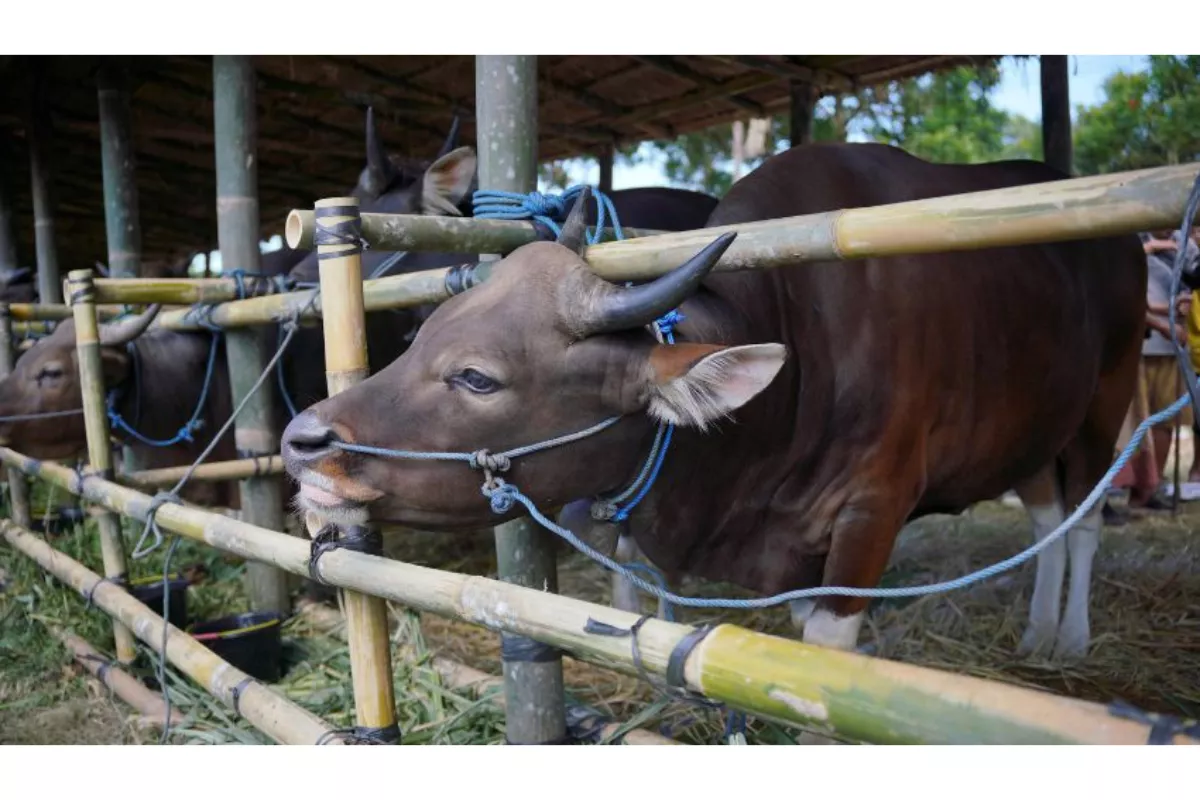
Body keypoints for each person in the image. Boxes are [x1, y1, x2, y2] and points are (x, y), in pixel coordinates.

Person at [1116, 229, 1200, 510]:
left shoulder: (1185, 243)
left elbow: (1193, 283)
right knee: (1131, 423)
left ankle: (1151, 488)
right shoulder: (1130, 238)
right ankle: (1122, 488)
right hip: (1137, 349)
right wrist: (1161, 320)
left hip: (1175, 347)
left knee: (1167, 421)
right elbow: (1124, 296)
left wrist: (1184, 310)